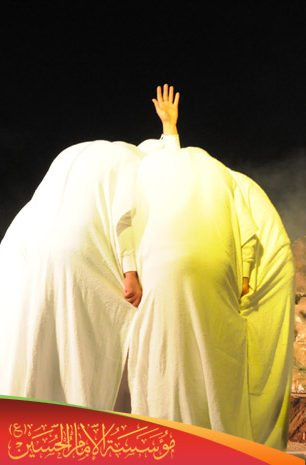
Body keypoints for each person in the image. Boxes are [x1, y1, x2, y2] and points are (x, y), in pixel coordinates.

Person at [128, 84, 259, 440]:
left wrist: (130, 273)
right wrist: (244, 278)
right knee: (214, 357)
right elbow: (248, 233)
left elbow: (127, 221)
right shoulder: (218, 171)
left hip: (166, 268)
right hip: (219, 270)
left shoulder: (147, 170)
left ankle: (164, 435)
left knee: (163, 353)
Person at [0, 136, 144, 409]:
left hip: (17, 251)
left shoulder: (74, 154)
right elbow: (124, 215)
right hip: (75, 251)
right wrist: (131, 273)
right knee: (83, 353)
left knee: (26, 350)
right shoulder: (135, 162)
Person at [230, 169, 294, 450]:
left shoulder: (222, 183)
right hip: (267, 270)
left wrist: (243, 279)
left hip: (265, 276)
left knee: (258, 370)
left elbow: (249, 235)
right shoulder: (228, 181)